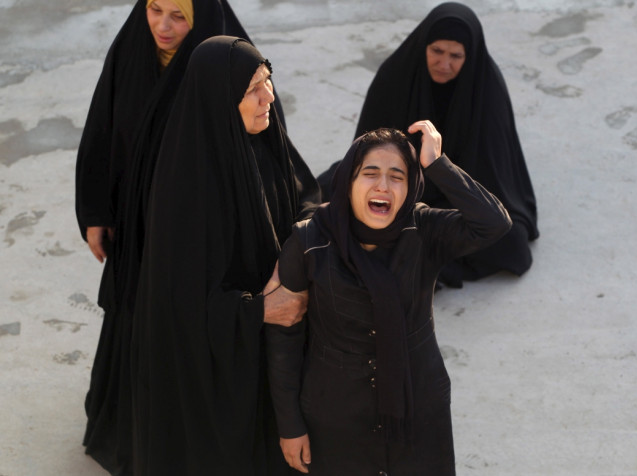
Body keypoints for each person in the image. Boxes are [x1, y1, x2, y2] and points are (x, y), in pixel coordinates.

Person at [74, 1, 259, 474]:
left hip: (196, 231)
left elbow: (256, 147)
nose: (162, 25)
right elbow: (102, 127)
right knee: (135, 323)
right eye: (154, 9)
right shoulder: (131, 50)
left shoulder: (223, 61)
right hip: (136, 225)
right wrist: (96, 211)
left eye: (178, 16)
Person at [266, 123, 512, 475]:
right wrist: (290, 426)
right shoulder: (308, 242)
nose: (383, 186)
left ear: (411, 187)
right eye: (370, 173)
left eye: (398, 176)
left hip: (418, 406)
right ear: (348, 182)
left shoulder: (423, 229)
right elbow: (283, 337)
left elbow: (494, 224)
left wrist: (438, 164)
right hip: (335, 413)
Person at [130, 36, 320, 475]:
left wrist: (295, 251)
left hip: (273, 359)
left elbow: (307, 196)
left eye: (268, 80)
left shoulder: (268, 143)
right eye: (253, 88)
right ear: (221, 99)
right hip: (213, 378)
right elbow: (178, 305)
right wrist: (259, 312)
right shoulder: (187, 184)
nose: (268, 96)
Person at [317, 2, 538, 287]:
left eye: (456, 56)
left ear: (469, 57)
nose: (444, 64)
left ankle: (407, 260)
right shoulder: (395, 77)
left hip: (455, 193)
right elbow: (369, 149)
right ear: (423, 46)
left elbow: (491, 177)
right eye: (437, 51)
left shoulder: (487, 90)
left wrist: (440, 170)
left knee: (509, 240)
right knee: (324, 197)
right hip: (395, 187)